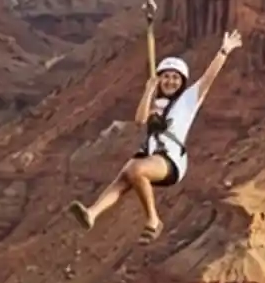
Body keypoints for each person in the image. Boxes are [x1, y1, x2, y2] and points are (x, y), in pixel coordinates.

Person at [68, 30, 243, 243]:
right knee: (125, 174)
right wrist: (148, 91)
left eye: (175, 78)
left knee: (135, 169)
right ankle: (92, 213)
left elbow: (208, 77)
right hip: (152, 155)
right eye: (166, 77)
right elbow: (140, 120)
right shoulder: (155, 104)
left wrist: (224, 51)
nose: (170, 81)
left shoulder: (188, 100)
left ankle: (153, 220)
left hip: (171, 160)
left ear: (182, 82)